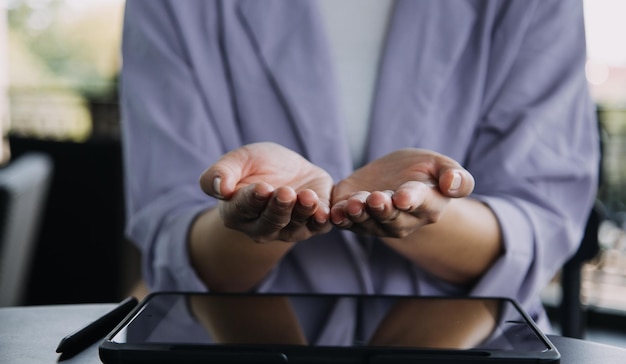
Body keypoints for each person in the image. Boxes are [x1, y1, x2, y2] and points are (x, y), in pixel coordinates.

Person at [120, 0, 599, 330]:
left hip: (465, 354)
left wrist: (432, 212)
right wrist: (252, 214)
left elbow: (541, 219)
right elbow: (170, 232)